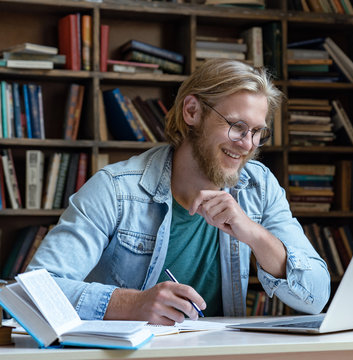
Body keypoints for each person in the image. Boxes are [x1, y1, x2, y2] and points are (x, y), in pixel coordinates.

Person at [27, 59, 331, 325]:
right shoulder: (116, 189)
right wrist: (132, 304)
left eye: (256, 132)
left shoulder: (259, 187)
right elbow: (35, 292)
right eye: (237, 126)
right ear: (192, 111)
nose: (247, 144)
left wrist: (253, 233)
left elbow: (315, 297)